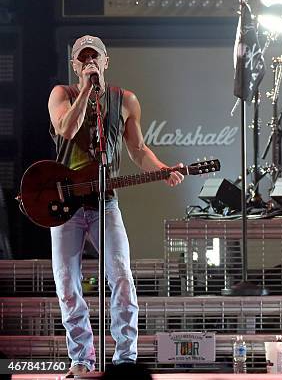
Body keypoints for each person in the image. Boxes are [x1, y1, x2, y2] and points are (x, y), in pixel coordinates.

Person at [48, 35, 184, 376]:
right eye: (84, 58)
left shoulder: (124, 100)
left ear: (106, 62)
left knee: (122, 275)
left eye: (96, 57)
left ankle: (125, 359)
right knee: (67, 283)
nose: (90, 62)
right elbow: (66, 129)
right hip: (65, 205)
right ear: (75, 65)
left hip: (105, 202)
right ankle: (81, 358)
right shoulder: (61, 95)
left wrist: (163, 169)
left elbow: (138, 150)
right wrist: (86, 91)